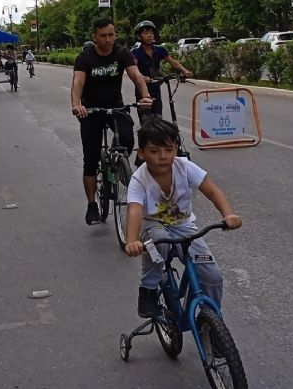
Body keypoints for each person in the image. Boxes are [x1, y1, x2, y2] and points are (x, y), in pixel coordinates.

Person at [124, 119, 242, 318]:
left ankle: (212, 319)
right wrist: (132, 240)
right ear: (141, 152)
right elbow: (134, 210)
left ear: (176, 148)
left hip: (184, 227)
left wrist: (228, 214)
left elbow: (212, 190)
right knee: (159, 243)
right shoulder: (139, 179)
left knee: (213, 276)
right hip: (153, 225)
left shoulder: (184, 167)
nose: (163, 156)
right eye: (154, 151)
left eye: (169, 150)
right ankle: (148, 288)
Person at [71, 17, 154, 225]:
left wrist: (145, 96)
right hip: (91, 110)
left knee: (127, 139)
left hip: (116, 106)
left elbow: (136, 76)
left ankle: (118, 165)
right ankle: (92, 204)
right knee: (90, 160)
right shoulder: (85, 57)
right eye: (103, 36)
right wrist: (76, 104)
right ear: (94, 37)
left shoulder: (122, 53)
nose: (108, 40)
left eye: (111, 35)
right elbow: (78, 83)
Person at [131, 21, 192, 123]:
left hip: (155, 88)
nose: (149, 35)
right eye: (146, 33)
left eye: (151, 33)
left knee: (158, 120)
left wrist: (185, 70)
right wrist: (142, 77)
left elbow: (172, 61)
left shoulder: (159, 50)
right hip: (142, 90)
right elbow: (133, 69)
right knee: (146, 122)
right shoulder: (136, 52)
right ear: (139, 36)